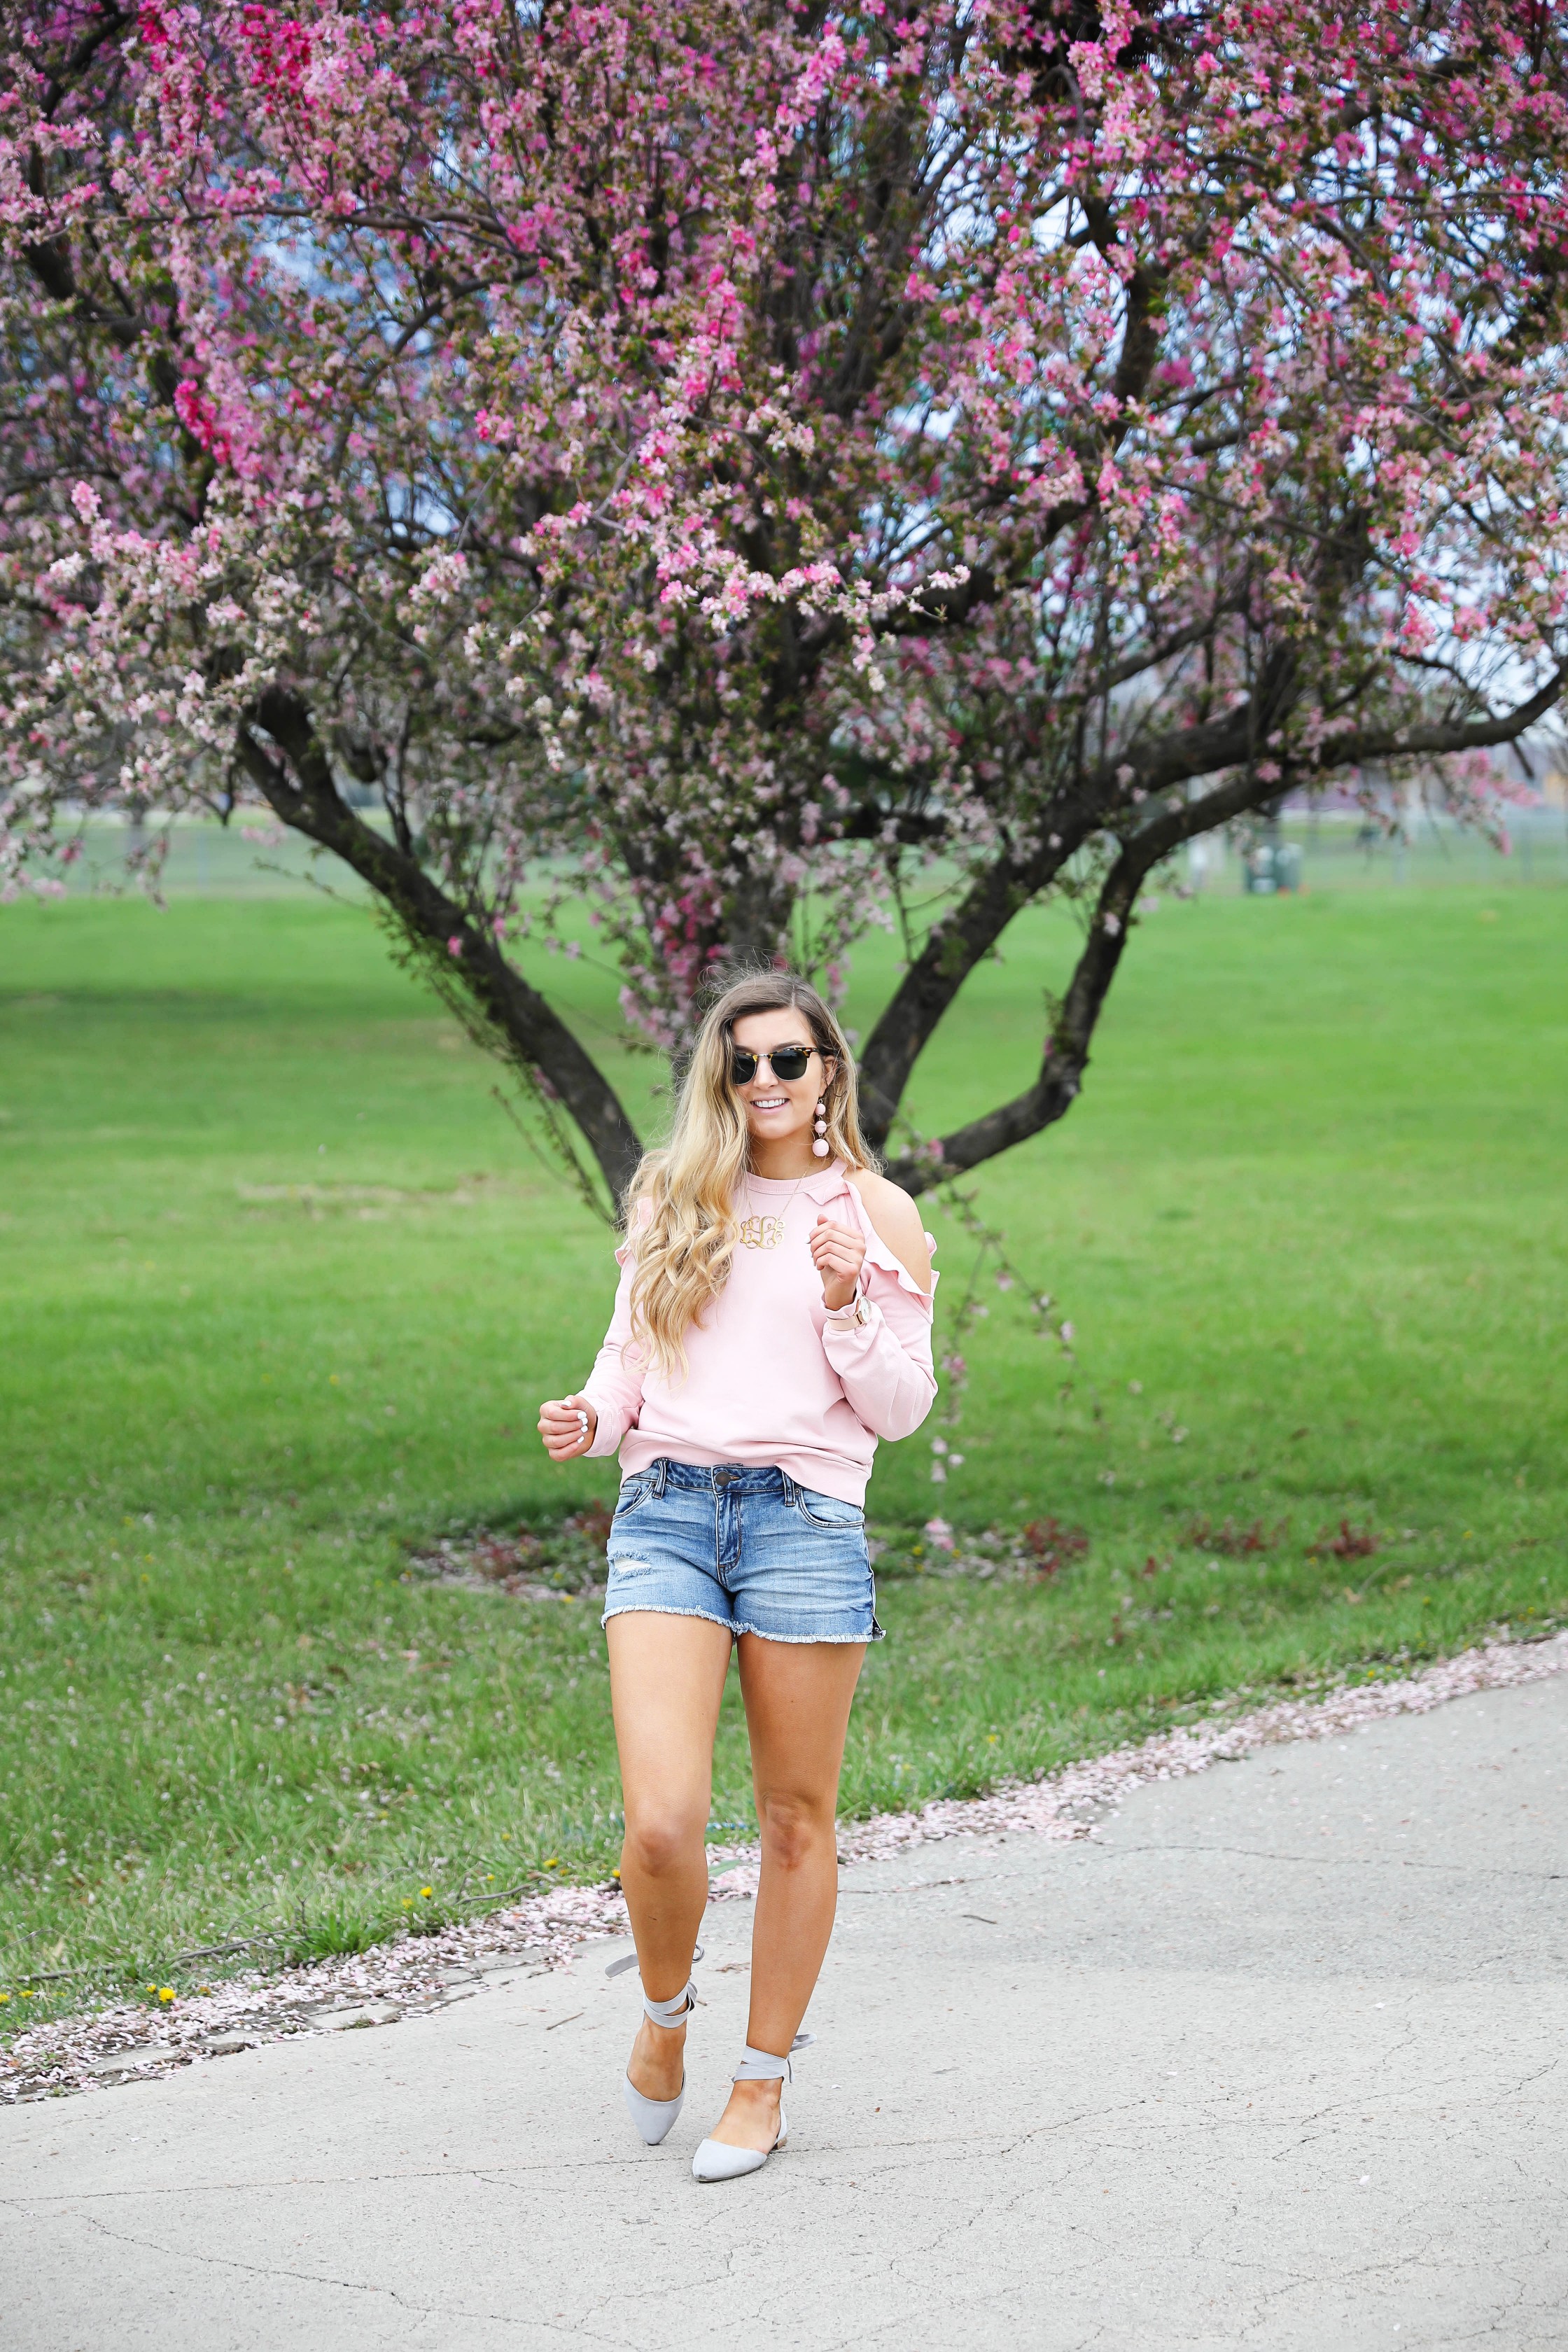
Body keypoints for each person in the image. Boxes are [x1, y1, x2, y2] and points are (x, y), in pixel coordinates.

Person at [537, 969, 938, 2183]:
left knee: (794, 1818)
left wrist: (843, 1296)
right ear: (719, 1074)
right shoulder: (676, 1191)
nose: (764, 1082)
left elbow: (902, 1410)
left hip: (804, 1522)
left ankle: (761, 2080)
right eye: (742, 1062)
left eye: (788, 1061)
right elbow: (629, 1353)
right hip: (665, 1510)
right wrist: (594, 1417)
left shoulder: (875, 1211)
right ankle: (663, 2019)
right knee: (661, 1826)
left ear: (830, 1074)